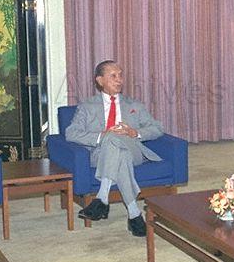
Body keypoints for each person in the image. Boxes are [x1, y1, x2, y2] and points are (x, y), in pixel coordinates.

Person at [66, 60, 164, 237]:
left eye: (120, 75)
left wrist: (134, 132)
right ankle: (134, 214)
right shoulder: (87, 107)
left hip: (134, 149)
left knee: (115, 141)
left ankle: (102, 199)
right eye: (113, 76)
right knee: (117, 149)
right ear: (100, 80)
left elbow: (157, 128)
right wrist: (102, 136)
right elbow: (71, 133)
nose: (119, 80)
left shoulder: (134, 105)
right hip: (100, 153)